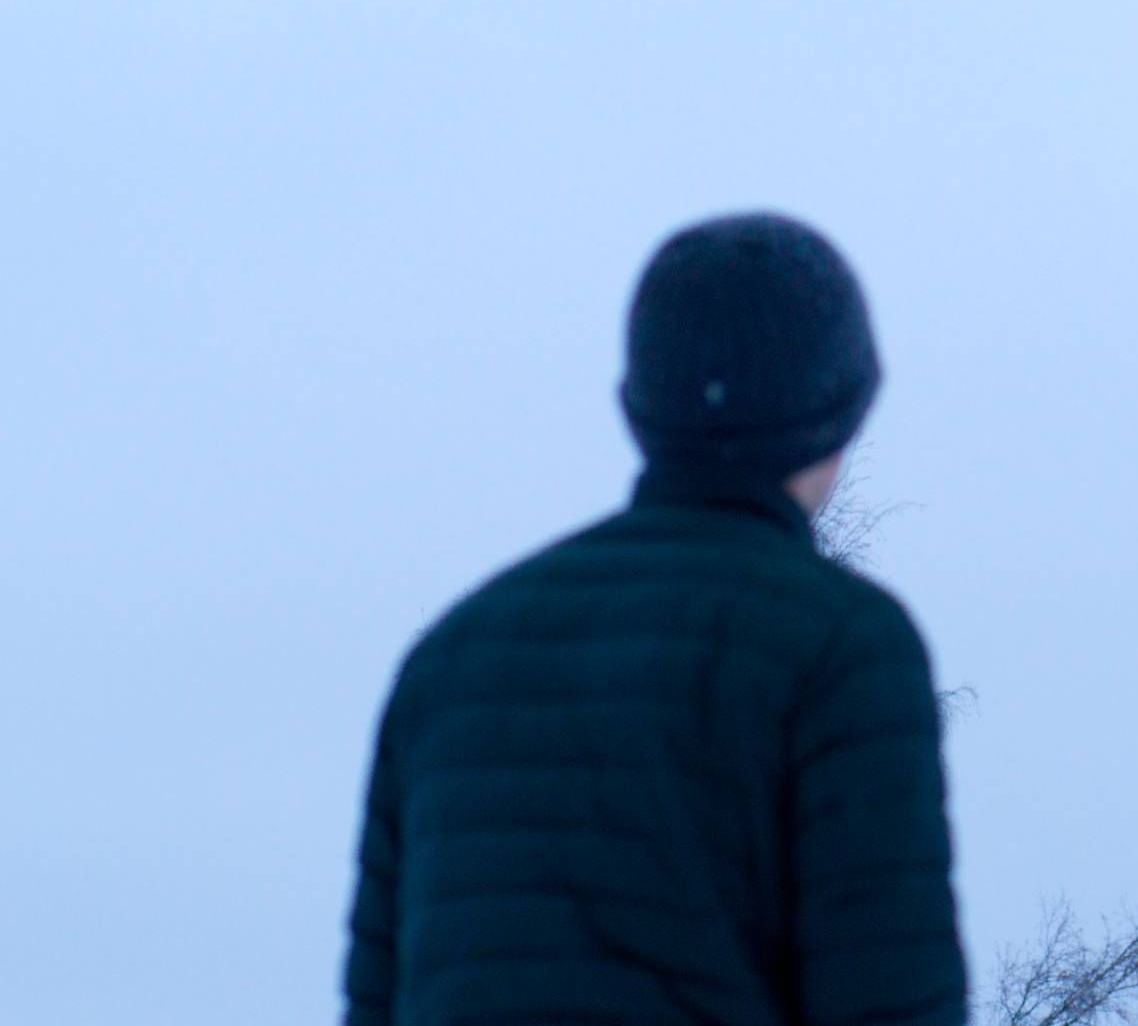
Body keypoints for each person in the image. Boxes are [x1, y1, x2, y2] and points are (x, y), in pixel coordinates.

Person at [342, 214, 967, 1025]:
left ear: (640, 408)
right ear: (841, 413)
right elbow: (891, 998)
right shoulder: (843, 645)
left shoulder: (452, 657)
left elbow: (375, 1001)